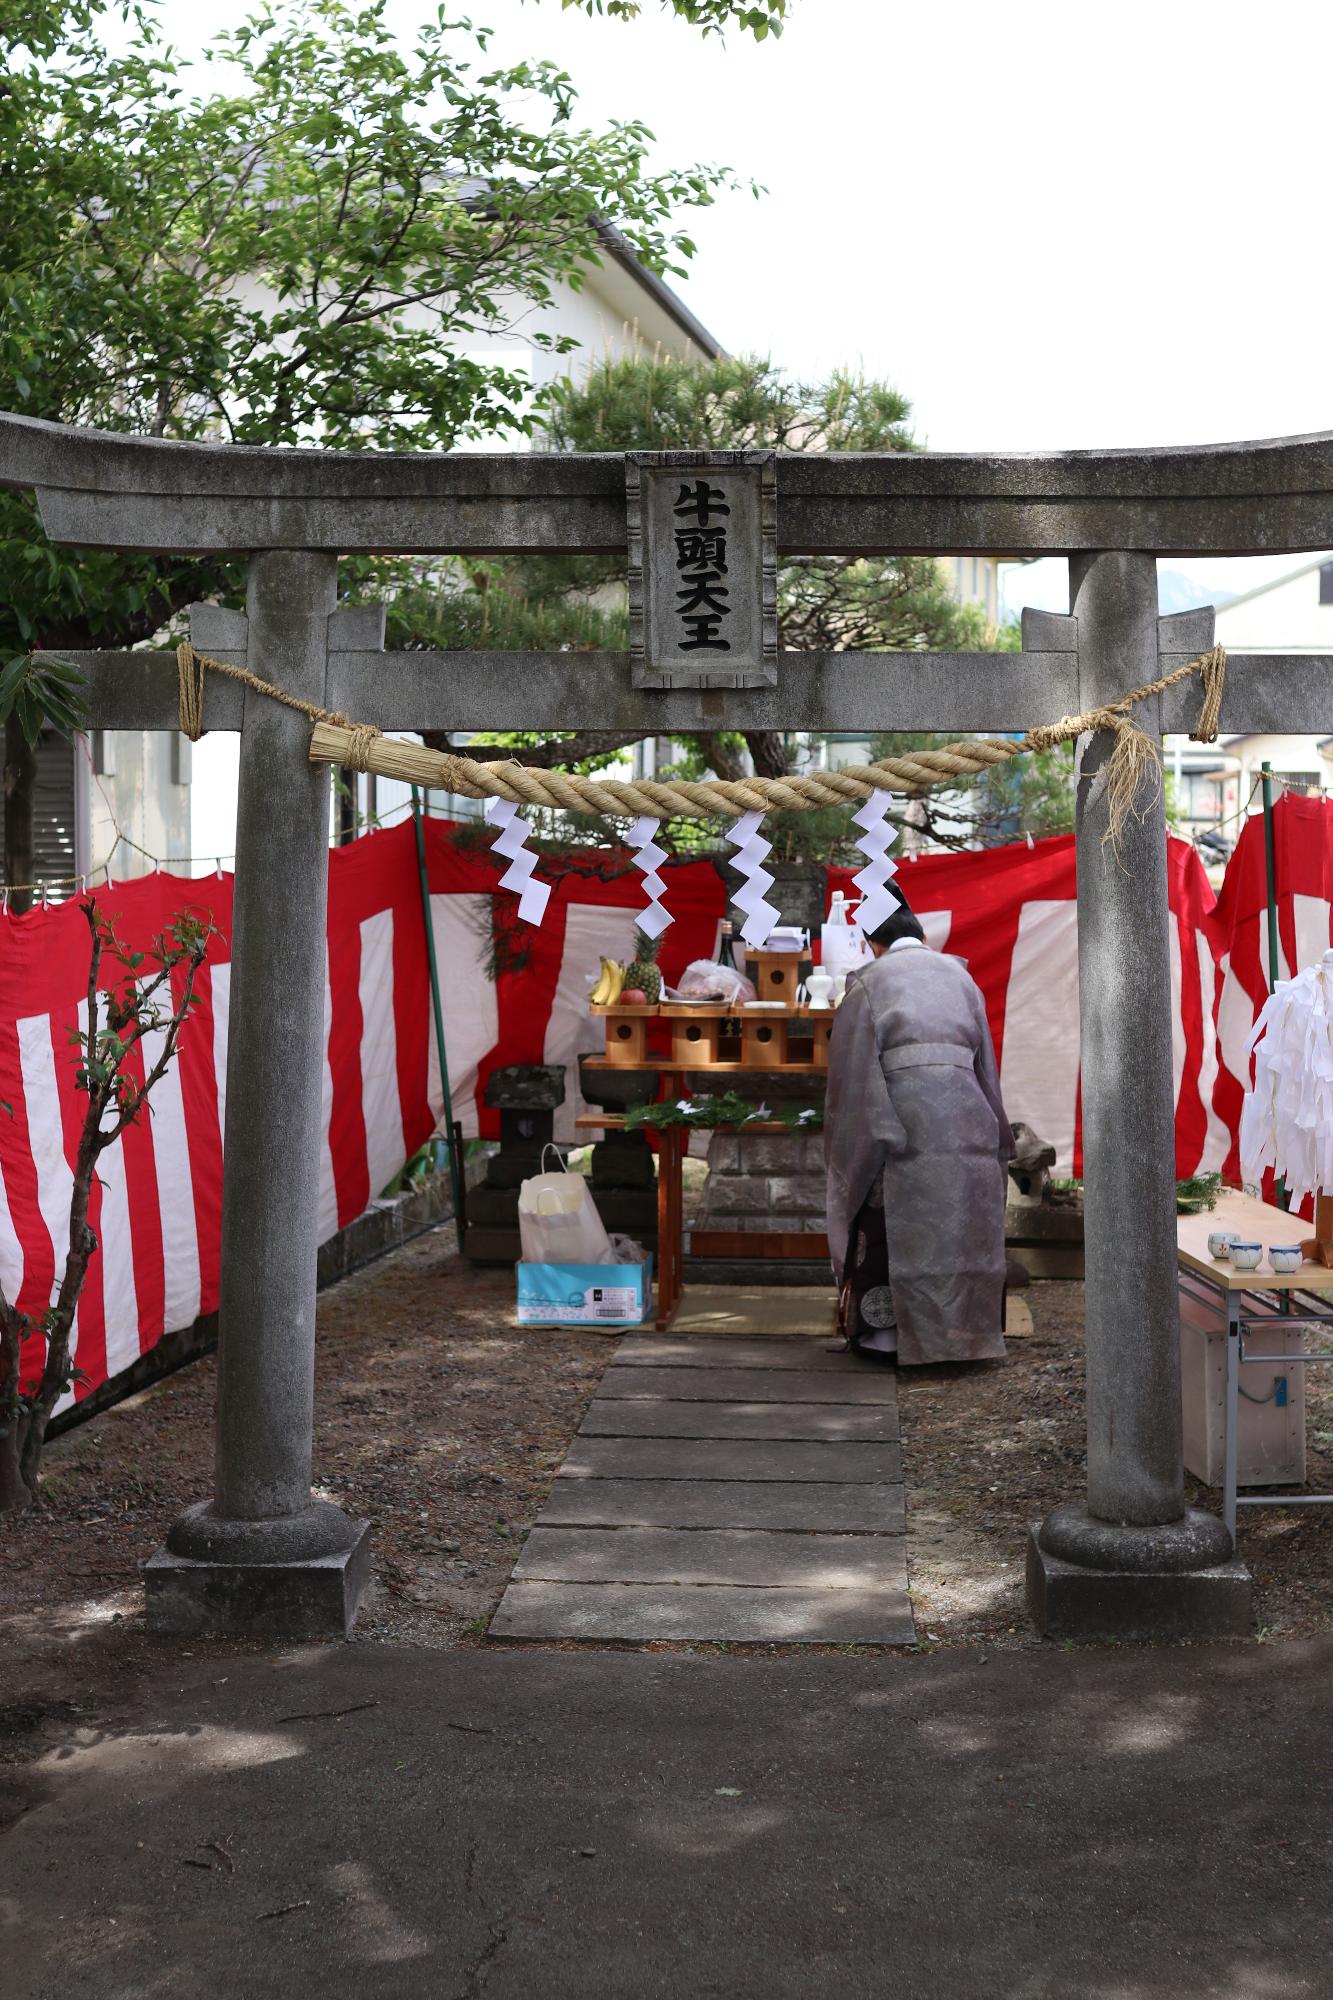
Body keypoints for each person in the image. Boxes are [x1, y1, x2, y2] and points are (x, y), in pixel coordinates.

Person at [824, 892, 1014, 1364]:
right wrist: (995, 1133)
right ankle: (964, 1339)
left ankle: (886, 1338)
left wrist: (857, 1141)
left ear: (871, 943)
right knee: (959, 1228)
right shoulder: (962, 977)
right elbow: (985, 1063)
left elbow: (853, 1079)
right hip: (968, 1115)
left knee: (888, 1218)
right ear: (922, 936)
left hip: (900, 1118)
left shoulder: (867, 983)